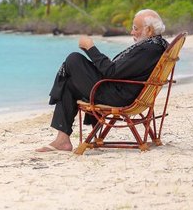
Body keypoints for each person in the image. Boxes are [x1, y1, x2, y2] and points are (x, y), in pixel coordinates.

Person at [37, 9, 168, 152]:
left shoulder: (149, 49)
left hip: (119, 96)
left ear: (148, 30)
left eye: (135, 28)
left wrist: (90, 48)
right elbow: (117, 70)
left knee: (73, 59)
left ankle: (61, 129)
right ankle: (62, 141)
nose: (132, 32)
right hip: (120, 90)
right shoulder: (155, 45)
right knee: (69, 83)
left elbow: (112, 72)